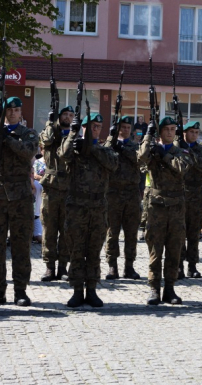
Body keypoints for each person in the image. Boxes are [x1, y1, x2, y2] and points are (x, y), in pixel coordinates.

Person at [0, 97, 38, 307]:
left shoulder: (28, 133)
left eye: (17, 110)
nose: (13, 113)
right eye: (9, 111)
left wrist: (9, 139)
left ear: (21, 113)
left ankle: (20, 290)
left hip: (20, 194)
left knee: (21, 245)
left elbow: (29, 151)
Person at [60, 112, 118, 307]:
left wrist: (92, 147)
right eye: (92, 126)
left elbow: (112, 164)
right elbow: (63, 155)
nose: (95, 130)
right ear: (84, 128)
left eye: (98, 127)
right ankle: (77, 290)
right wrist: (72, 135)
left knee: (94, 251)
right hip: (77, 206)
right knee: (76, 250)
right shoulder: (75, 149)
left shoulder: (104, 150)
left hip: (98, 208)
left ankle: (91, 289)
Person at [138, 116, 191, 305]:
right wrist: (148, 136)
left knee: (174, 250)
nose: (170, 132)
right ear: (160, 132)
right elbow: (141, 157)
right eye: (166, 129)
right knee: (155, 249)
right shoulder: (152, 150)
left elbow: (182, 167)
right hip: (156, 207)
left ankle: (170, 288)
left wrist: (166, 155)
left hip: (176, 207)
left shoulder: (181, 151)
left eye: (172, 129)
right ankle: (154, 288)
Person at [38, 105, 74, 282]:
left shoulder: (76, 135)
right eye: (64, 115)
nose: (67, 117)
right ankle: (49, 267)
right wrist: (50, 122)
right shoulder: (50, 131)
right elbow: (46, 140)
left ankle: (63, 267)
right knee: (49, 229)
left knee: (66, 229)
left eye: (70, 115)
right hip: (51, 186)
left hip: (68, 186)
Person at [104, 116, 142, 281]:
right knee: (112, 232)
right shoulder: (109, 145)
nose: (125, 130)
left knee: (131, 232)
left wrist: (122, 148)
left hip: (132, 194)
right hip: (113, 193)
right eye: (122, 127)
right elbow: (103, 158)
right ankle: (112, 266)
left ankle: (129, 266)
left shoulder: (136, 147)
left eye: (128, 127)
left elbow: (138, 159)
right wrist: (111, 142)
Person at [178, 121, 202, 280]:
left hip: (196, 195)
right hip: (180, 194)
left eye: (197, 132)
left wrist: (186, 151)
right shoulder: (176, 147)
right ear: (184, 133)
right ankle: (178, 265)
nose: (194, 135)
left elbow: (201, 164)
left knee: (193, 233)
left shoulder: (201, 150)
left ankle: (192, 266)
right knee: (178, 232)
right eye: (191, 132)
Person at [32, 148, 45, 244]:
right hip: (37, 187)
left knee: (40, 239)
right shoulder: (37, 162)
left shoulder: (53, 162)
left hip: (37, 216)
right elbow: (34, 175)